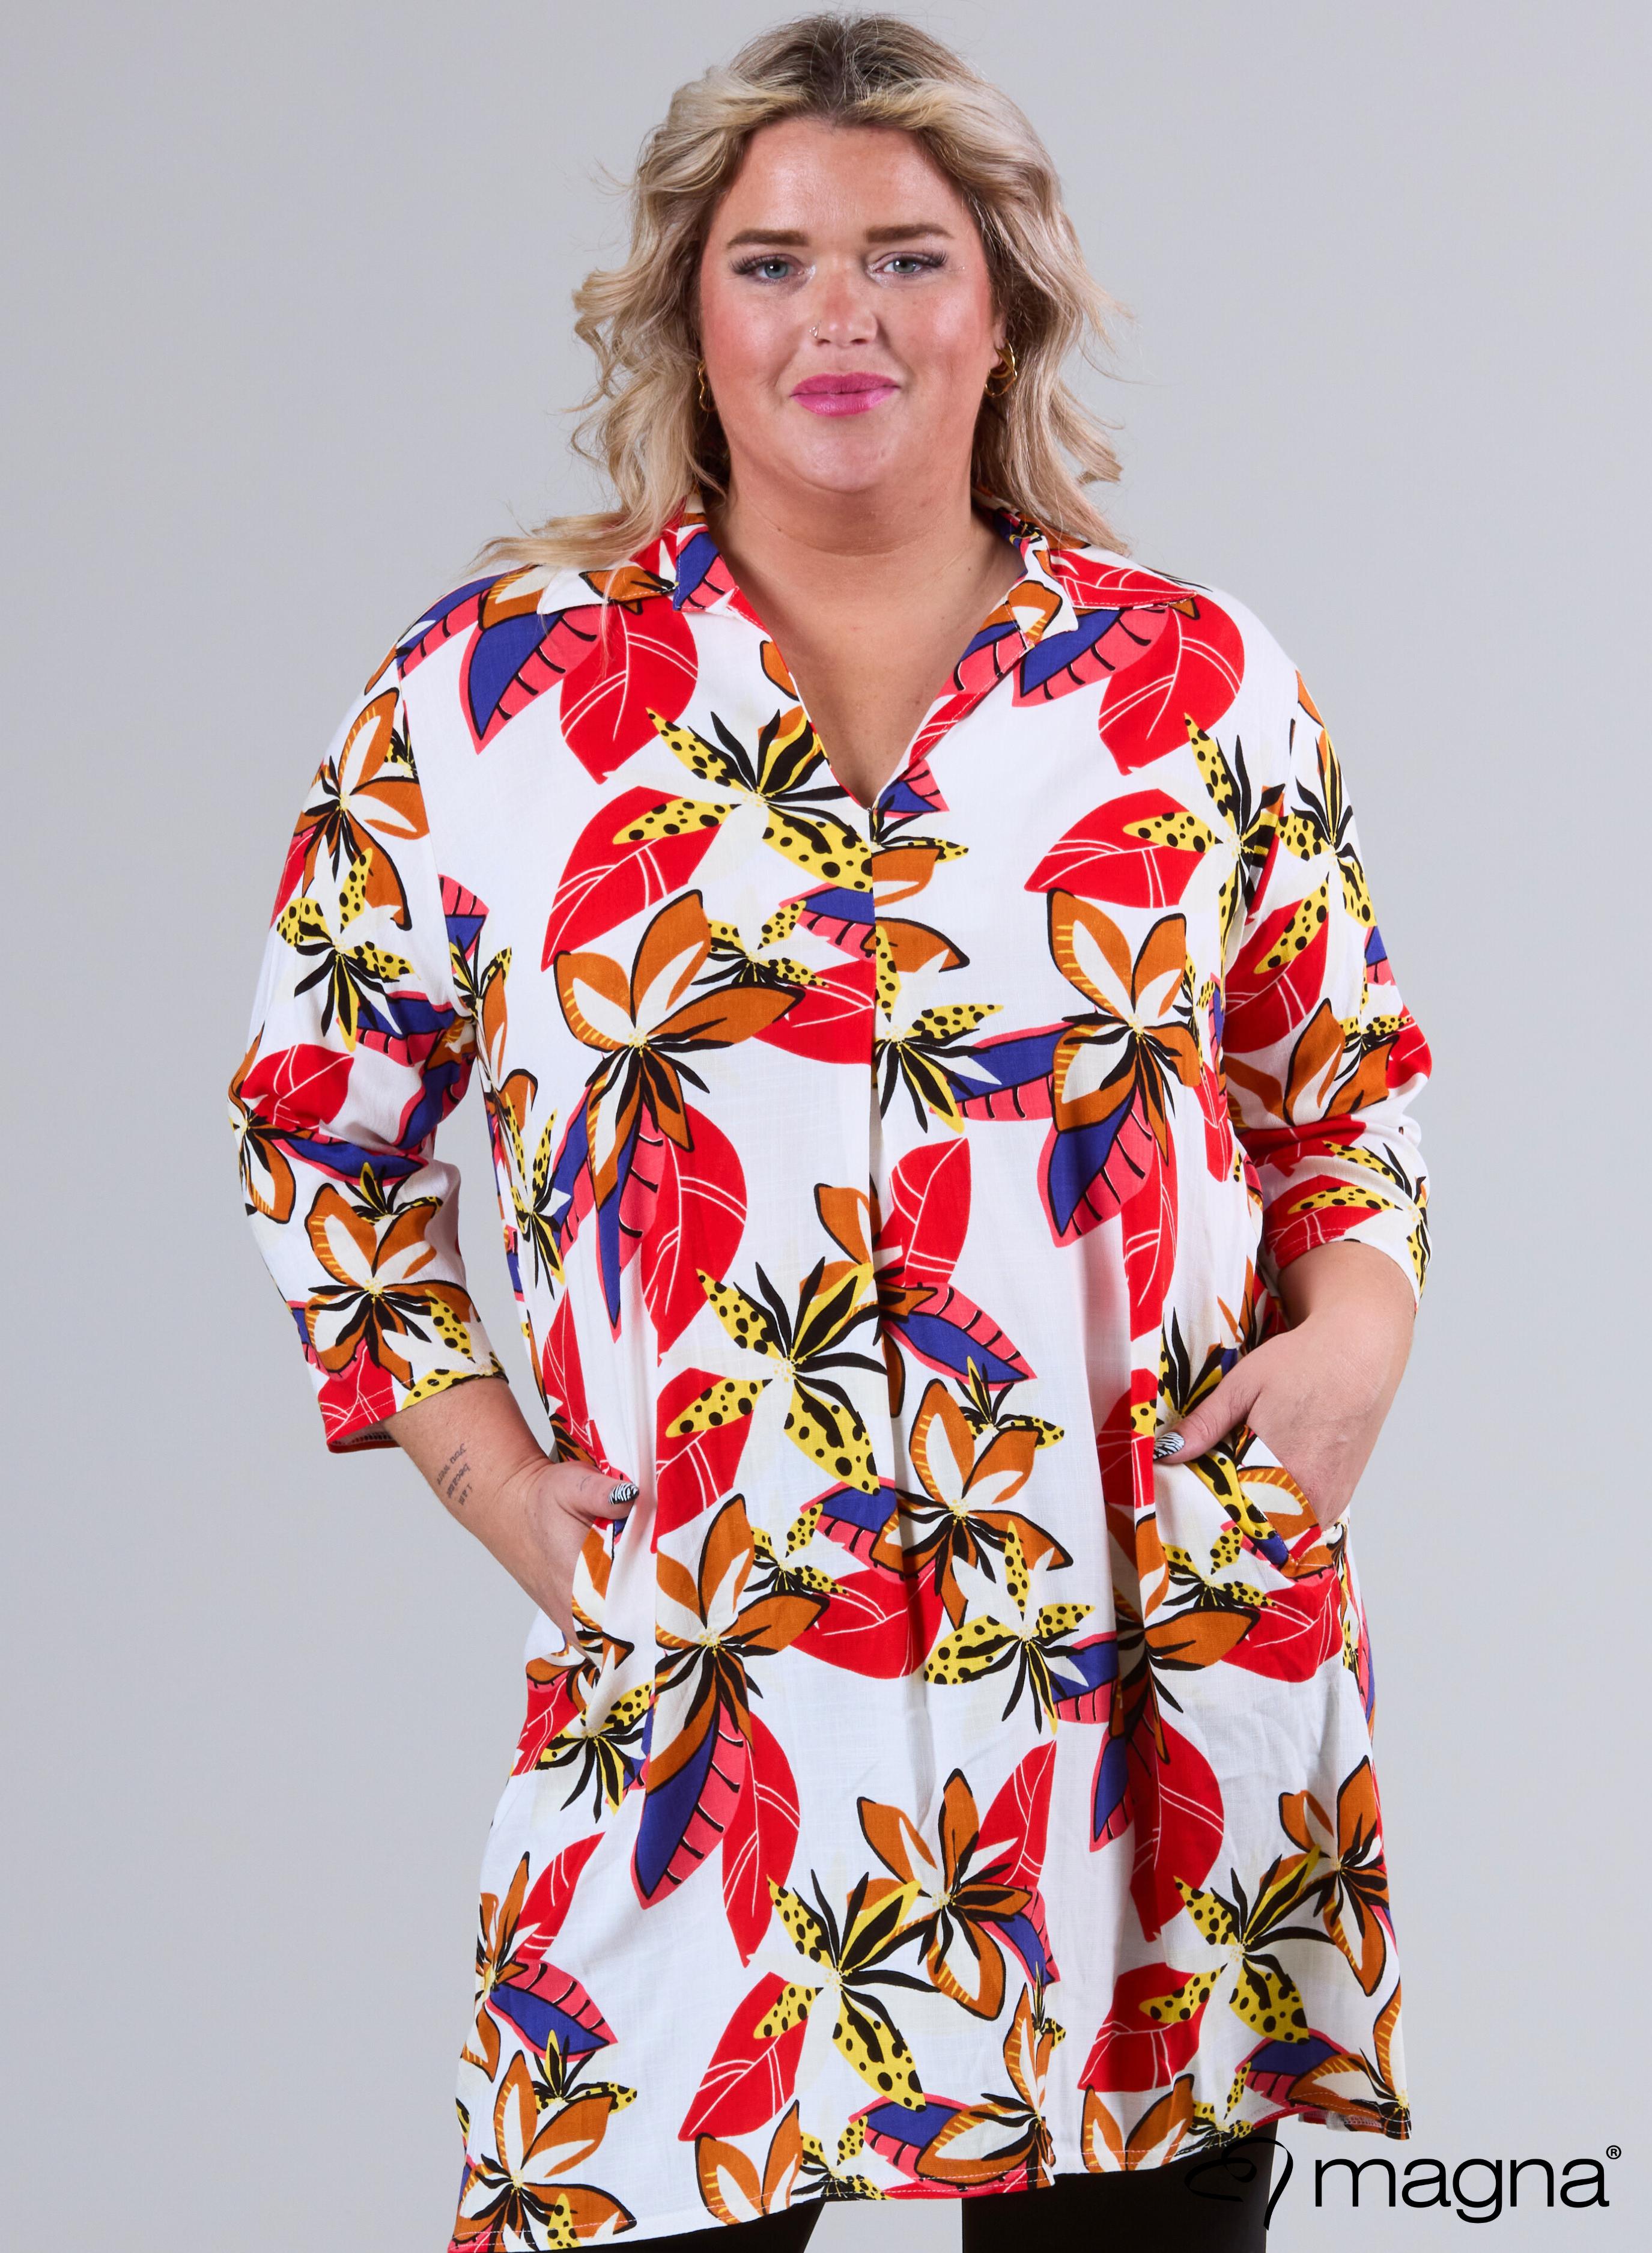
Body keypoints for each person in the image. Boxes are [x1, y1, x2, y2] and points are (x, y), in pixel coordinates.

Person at [229, 16, 1429, 2247]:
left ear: (1006, 306)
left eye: (905, 256)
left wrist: (1355, 1336)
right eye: (773, 262)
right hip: (717, 1700)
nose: (840, 318)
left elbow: (1341, 1084)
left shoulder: (1193, 686)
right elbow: (320, 1124)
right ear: (689, 312)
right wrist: (489, 1473)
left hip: (1144, 1677)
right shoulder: (488, 699)